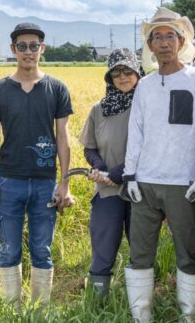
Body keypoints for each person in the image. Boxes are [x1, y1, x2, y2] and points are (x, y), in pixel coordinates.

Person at [121, 8, 195, 322]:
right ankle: (141, 316)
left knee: (188, 254)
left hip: (184, 183)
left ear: (181, 40)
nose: (163, 43)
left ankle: (188, 316)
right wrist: (130, 174)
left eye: (169, 36)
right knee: (139, 254)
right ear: (149, 45)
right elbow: (135, 131)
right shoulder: (145, 86)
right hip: (145, 183)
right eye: (156, 37)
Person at [0, 22, 75, 305]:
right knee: (8, 249)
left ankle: (40, 308)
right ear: (13, 50)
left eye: (34, 46)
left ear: (42, 49)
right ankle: (11, 307)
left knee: (41, 249)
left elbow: (63, 136)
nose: (28, 52)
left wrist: (64, 182)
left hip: (46, 180)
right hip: (9, 180)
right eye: (21, 47)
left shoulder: (56, 88)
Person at [79, 48, 142, 297]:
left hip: (140, 188)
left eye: (128, 70)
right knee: (103, 245)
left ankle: (138, 301)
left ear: (137, 72)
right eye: (116, 72)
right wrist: (101, 169)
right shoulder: (99, 108)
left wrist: (116, 174)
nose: (122, 76)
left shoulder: (147, 105)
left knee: (141, 247)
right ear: (109, 77)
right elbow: (89, 147)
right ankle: (98, 301)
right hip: (106, 190)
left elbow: (150, 149)